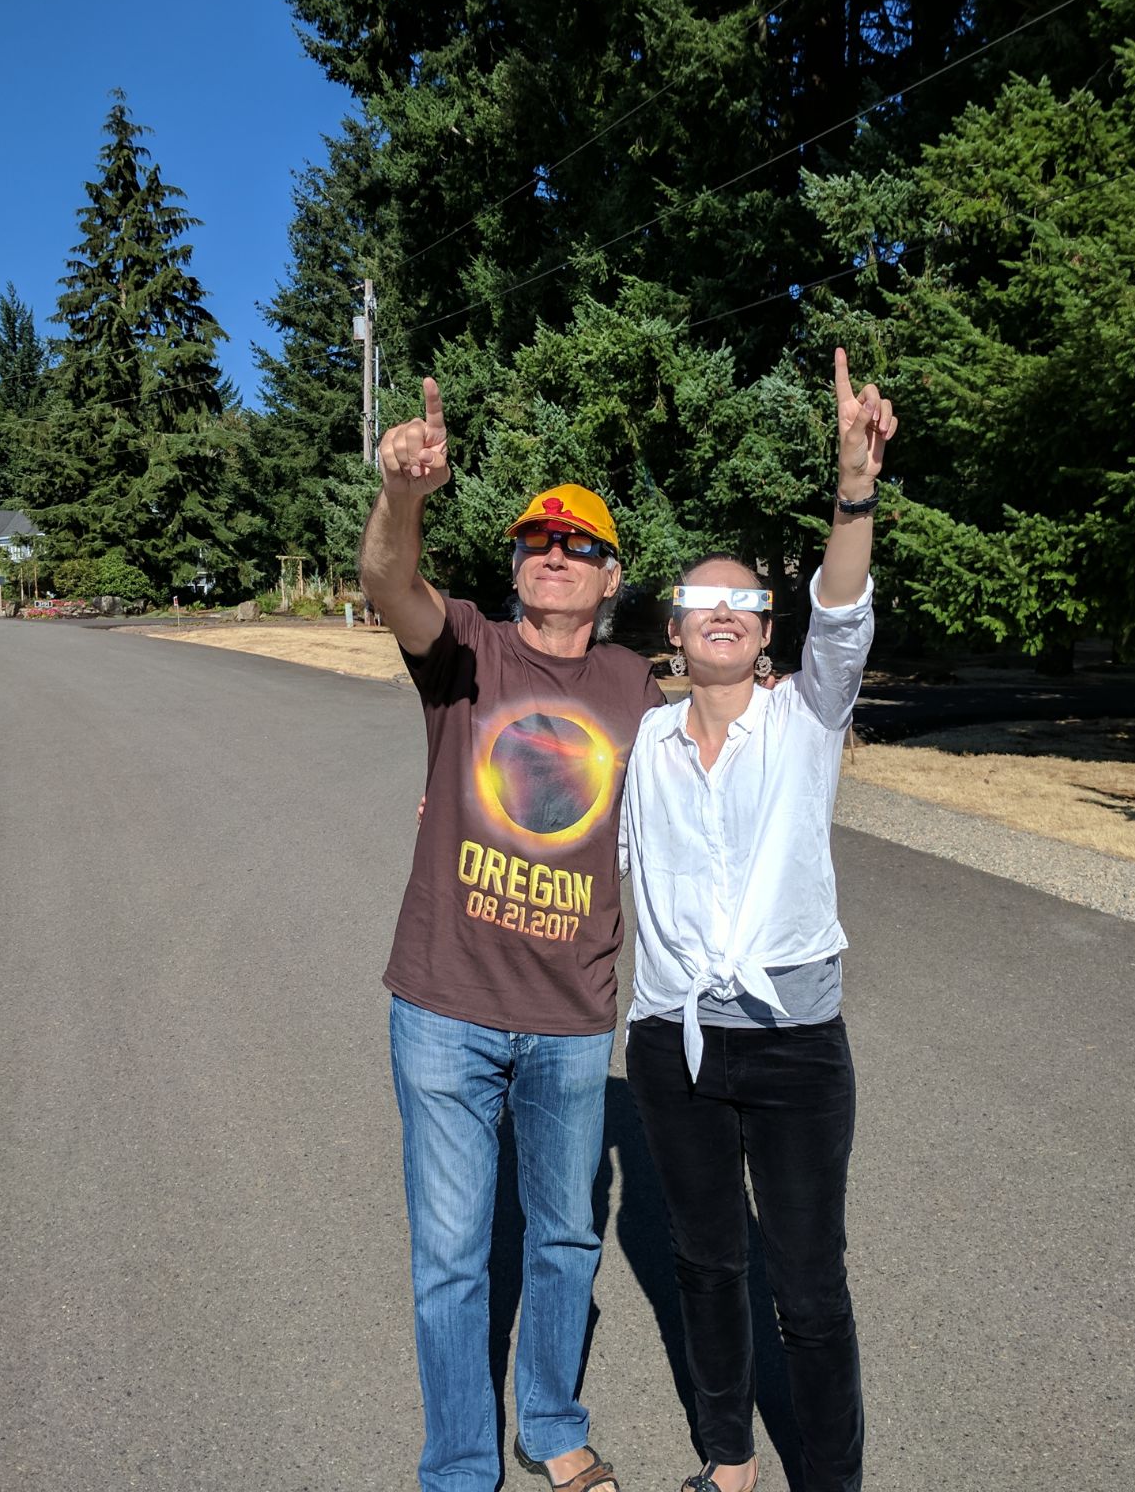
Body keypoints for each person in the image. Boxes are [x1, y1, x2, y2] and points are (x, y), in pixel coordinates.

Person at [360, 377, 663, 1492]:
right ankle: (455, 1465)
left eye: (578, 542)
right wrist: (403, 492)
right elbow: (388, 577)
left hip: (574, 1018)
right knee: (451, 1258)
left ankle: (549, 1419)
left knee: (565, 1240)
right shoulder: (468, 650)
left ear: (610, 576)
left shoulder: (639, 686)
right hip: (442, 1004)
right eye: (537, 535)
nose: (554, 550)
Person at [620, 349, 896, 1492]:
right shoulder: (642, 741)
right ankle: (727, 1462)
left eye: (741, 601)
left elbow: (846, 610)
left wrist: (854, 489)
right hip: (673, 1037)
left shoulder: (807, 718)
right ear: (674, 633)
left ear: (765, 626)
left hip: (792, 1037)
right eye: (699, 603)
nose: (720, 614)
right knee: (704, 1260)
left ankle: (828, 1479)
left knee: (809, 1281)